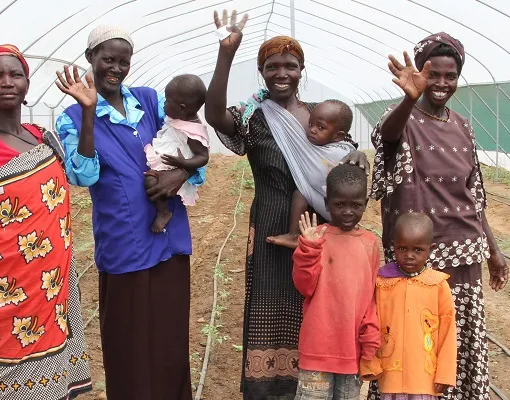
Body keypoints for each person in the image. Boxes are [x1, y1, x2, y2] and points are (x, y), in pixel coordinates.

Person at [204, 9, 370, 399]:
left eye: (290, 66)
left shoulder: (320, 116)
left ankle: (313, 387)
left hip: (319, 229)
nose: (282, 73)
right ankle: (266, 389)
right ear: (261, 72)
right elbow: (213, 115)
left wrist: (358, 155)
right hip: (269, 225)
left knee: (316, 307)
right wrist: (226, 53)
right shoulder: (253, 117)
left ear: (301, 70)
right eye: (272, 66)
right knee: (267, 305)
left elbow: (343, 152)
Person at [54, 25, 205, 400]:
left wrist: (180, 173)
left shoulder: (149, 100)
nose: (116, 68)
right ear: (90, 58)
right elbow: (83, 174)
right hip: (124, 239)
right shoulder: (71, 116)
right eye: (108, 59)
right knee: (129, 340)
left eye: (123, 61)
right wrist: (89, 112)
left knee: (170, 336)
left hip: (169, 235)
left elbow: (189, 141)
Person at [0, 44, 92, 400]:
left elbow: (85, 171)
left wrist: (88, 111)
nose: (7, 82)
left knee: (51, 379)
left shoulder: (43, 139)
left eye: (16, 74)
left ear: (27, 84)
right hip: (1, 287)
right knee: (5, 376)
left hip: (50, 287)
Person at [366, 32, 508, 400]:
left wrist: (493, 250)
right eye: (434, 75)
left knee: (456, 341)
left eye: (451, 76)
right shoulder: (402, 118)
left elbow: (473, 194)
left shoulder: (462, 126)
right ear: (421, 74)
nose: (442, 84)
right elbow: (388, 135)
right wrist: (407, 99)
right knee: (412, 343)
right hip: (416, 257)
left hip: (464, 256)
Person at [291, 163, 380, 400]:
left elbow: (370, 297)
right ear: (327, 202)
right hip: (317, 350)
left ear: (365, 204)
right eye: (339, 204)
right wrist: (308, 249)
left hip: (353, 352)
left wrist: (370, 339)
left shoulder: (370, 243)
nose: (348, 211)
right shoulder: (317, 237)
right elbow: (304, 286)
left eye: (356, 205)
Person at [361, 212, 457, 400]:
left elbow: (448, 332)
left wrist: (445, 374)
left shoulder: (438, 285)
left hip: (425, 379)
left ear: (430, 249)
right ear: (393, 246)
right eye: (402, 248)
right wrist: (369, 361)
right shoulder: (382, 283)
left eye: (418, 250)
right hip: (390, 377)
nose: (409, 256)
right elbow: (370, 323)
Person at [267, 99, 355, 249]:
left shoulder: (341, 153)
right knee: (300, 192)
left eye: (321, 127)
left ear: (338, 136)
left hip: (342, 209)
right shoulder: (308, 146)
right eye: (310, 124)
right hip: (325, 202)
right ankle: (293, 235)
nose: (312, 130)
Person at [143, 73, 210, 233]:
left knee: (151, 182)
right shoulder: (181, 117)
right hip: (172, 161)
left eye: (166, 101)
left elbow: (203, 157)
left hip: (176, 166)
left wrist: (183, 165)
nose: (163, 104)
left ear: (181, 108)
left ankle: (163, 212)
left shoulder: (193, 131)